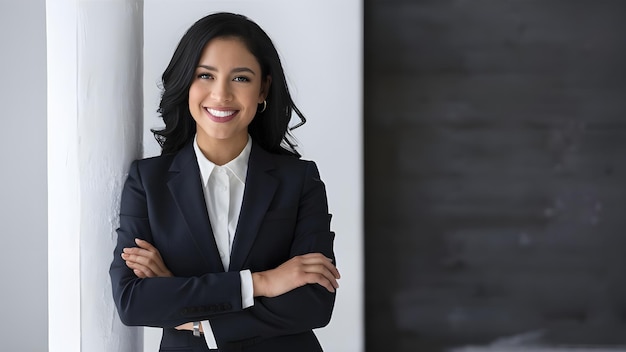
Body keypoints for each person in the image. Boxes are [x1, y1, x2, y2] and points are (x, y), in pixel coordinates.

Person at [109, 12, 340, 352]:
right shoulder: (147, 183)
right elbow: (133, 301)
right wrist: (262, 282)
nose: (221, 95)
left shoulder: (300, 181)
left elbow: (314, 303)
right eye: (205, 75)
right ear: (185, 82)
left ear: (263, 89)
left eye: (241, 79)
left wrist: (185, 304)